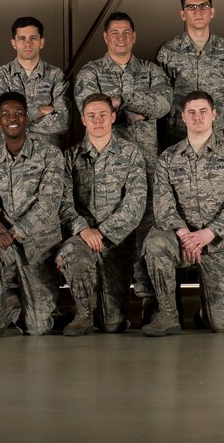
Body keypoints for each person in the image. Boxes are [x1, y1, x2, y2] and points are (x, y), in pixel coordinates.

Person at [73, 12, 172, 307]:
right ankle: (107, 298)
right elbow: (91, 108)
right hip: (104, 167)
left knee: (146, 228)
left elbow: (163, 104)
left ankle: (148, 297)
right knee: (105, 227)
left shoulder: (151, 71)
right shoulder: (90, 72)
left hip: (146, 162)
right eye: (114, 32)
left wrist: (122, 101)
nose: (120, 37)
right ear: (105, 37)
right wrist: (139, 110)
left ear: (134, 36)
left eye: (126, 32)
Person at [141, 92, 224, 336]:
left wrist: (209, 233)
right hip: (180, 240)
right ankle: (168, 314)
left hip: (219, 243)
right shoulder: (168, 157)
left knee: (220, 324)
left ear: (214, 115)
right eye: (191, 112)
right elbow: (162, 202)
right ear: (183, 117)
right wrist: (184, 234)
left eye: (203, 111)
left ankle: (208, 310)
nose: (197, 117)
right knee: (155, 243)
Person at [0, 92, 77, 339]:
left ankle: (15, 302)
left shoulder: (49, 155)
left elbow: (48, 205)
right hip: (3, 240)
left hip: (38, 245)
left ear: (27, 118)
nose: (12, 118)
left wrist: (15, 232)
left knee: (37, 328)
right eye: (6, 114)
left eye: (18, 113)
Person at [57, 92, 150, 335]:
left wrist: (103, 232)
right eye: (91, 116)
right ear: (83, 119)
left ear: (113, 117)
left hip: (116, 242)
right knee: (74, 254)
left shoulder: (131, 154)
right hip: (82, 238)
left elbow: (135, 204)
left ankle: (101, 307)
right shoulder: (70, 157)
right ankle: (83, 313)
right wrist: (83, 229)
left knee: (112, 324)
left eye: (103, 115)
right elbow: (62, 202)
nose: (97, 121)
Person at [156, 0, 224, 148]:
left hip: (219, 138)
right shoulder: (167, 51)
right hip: (177, 138)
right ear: (183, 14)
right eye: (191, 7)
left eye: (203, 6)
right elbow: (159, 100)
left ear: (212, 12)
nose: (198, 11)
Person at [0, 16, 70, 147]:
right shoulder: (0, 76)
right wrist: (39, 111)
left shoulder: (56, 76)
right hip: (10, 154)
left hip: (48, 154)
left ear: (41, 42)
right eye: (22, 38)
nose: (28, 44)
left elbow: (63, 121)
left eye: (33, 38)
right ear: (14, 43)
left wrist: (16, 121)